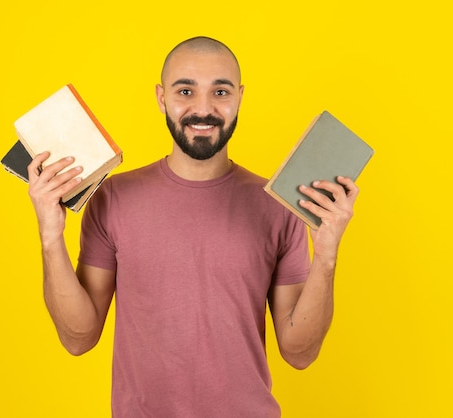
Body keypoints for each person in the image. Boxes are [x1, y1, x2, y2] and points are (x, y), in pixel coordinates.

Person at [27, 36, 359, 417]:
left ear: (240, 97)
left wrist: (327, 255)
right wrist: (51, 237)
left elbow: (300, 353)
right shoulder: (113, 198)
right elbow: (78, 338)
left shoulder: (277, 207)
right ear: (161, 97)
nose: (204, 109)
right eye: (185, 90)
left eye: (221, 91)